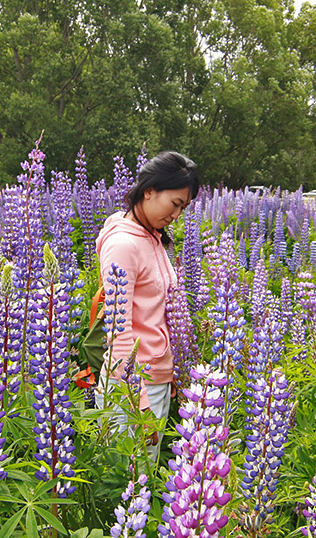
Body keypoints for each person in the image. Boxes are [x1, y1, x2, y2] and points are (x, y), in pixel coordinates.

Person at [94, 151, 200, 460]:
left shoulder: (149, 234)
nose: (176, 215)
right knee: (128, 488)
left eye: (184, 207)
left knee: (147, 478)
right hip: (130, 390)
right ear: (150, 190)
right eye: (175, 204)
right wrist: (140, 407)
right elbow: (118, 331)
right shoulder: (123, 244)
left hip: (158, 380)